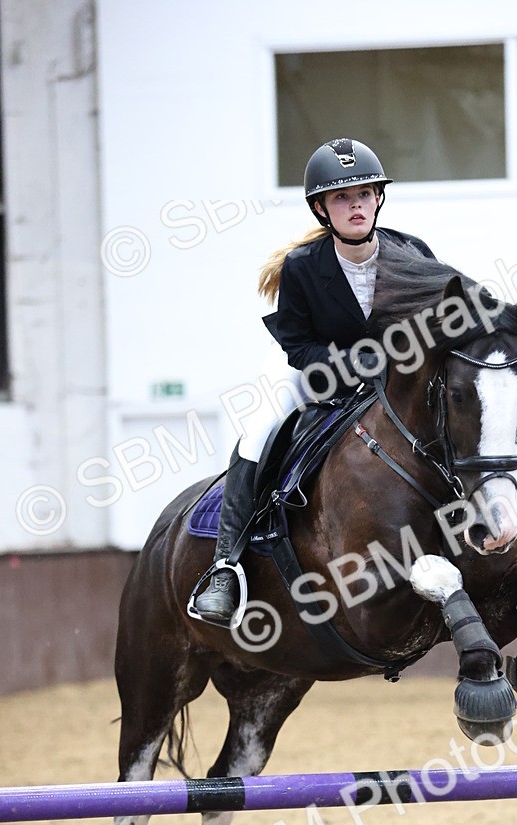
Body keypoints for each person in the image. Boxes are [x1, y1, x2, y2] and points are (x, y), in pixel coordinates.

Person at [192, 137, 435, 625]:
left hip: (389, 378)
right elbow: (298, 345)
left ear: (378, 199)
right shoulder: (303, 267)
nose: (356, 205)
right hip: (311, 371)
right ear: (323, 208)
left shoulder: (411, 252)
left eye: (364, 194)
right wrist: (355, 361)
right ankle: (226, 566)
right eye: (343, 198)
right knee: (259, 431)